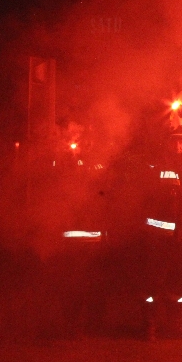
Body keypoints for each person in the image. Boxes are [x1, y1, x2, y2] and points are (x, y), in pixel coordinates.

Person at [141, 112, 182, 340]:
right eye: (174, 140)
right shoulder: (156, 163)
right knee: (154, 282)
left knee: (179, 284)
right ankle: (150, 325)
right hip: (160, 237)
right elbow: (147, 197)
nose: (179, 145)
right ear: (166, 141)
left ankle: (174, 325)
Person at [45, 136, 108, 338]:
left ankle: (93, 325)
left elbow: (104, 195)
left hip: (94, 238)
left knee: (94, 285)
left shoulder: (98, 165)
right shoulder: (64, 166)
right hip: (73, 239)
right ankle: (72, 325)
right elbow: (58, 198)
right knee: (72, 284)